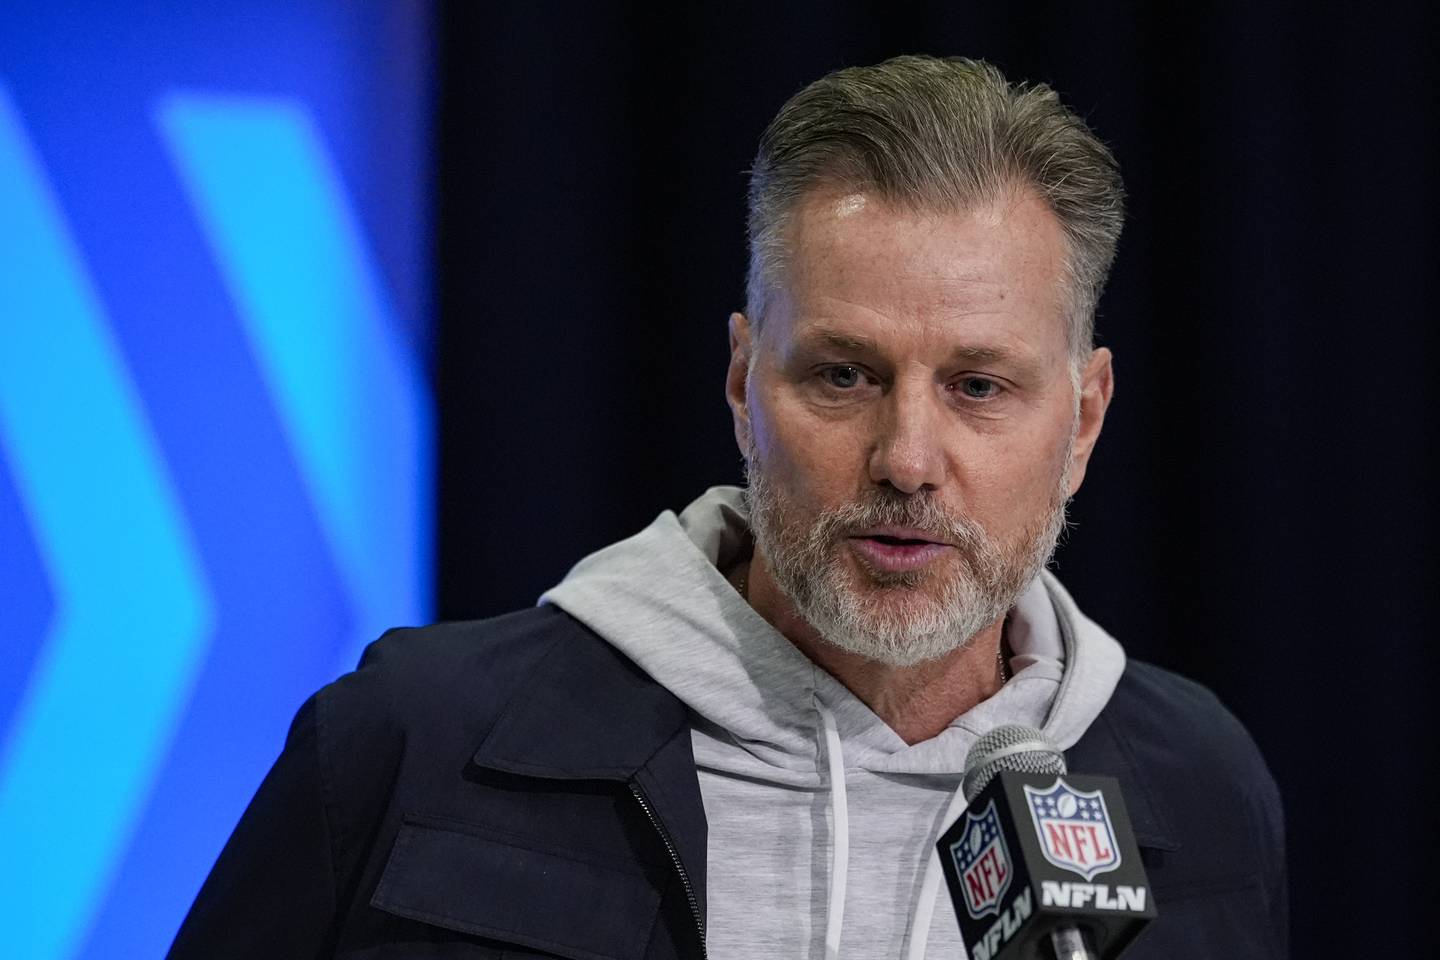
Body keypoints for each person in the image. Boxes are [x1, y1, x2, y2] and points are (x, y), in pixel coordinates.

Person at [169, 55, 1286, 959]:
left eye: (978, 387)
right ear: (745, 383)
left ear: (1084, 420)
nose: (906, 457)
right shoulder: (419, 739)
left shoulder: (1196, 788)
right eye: (843, 375)